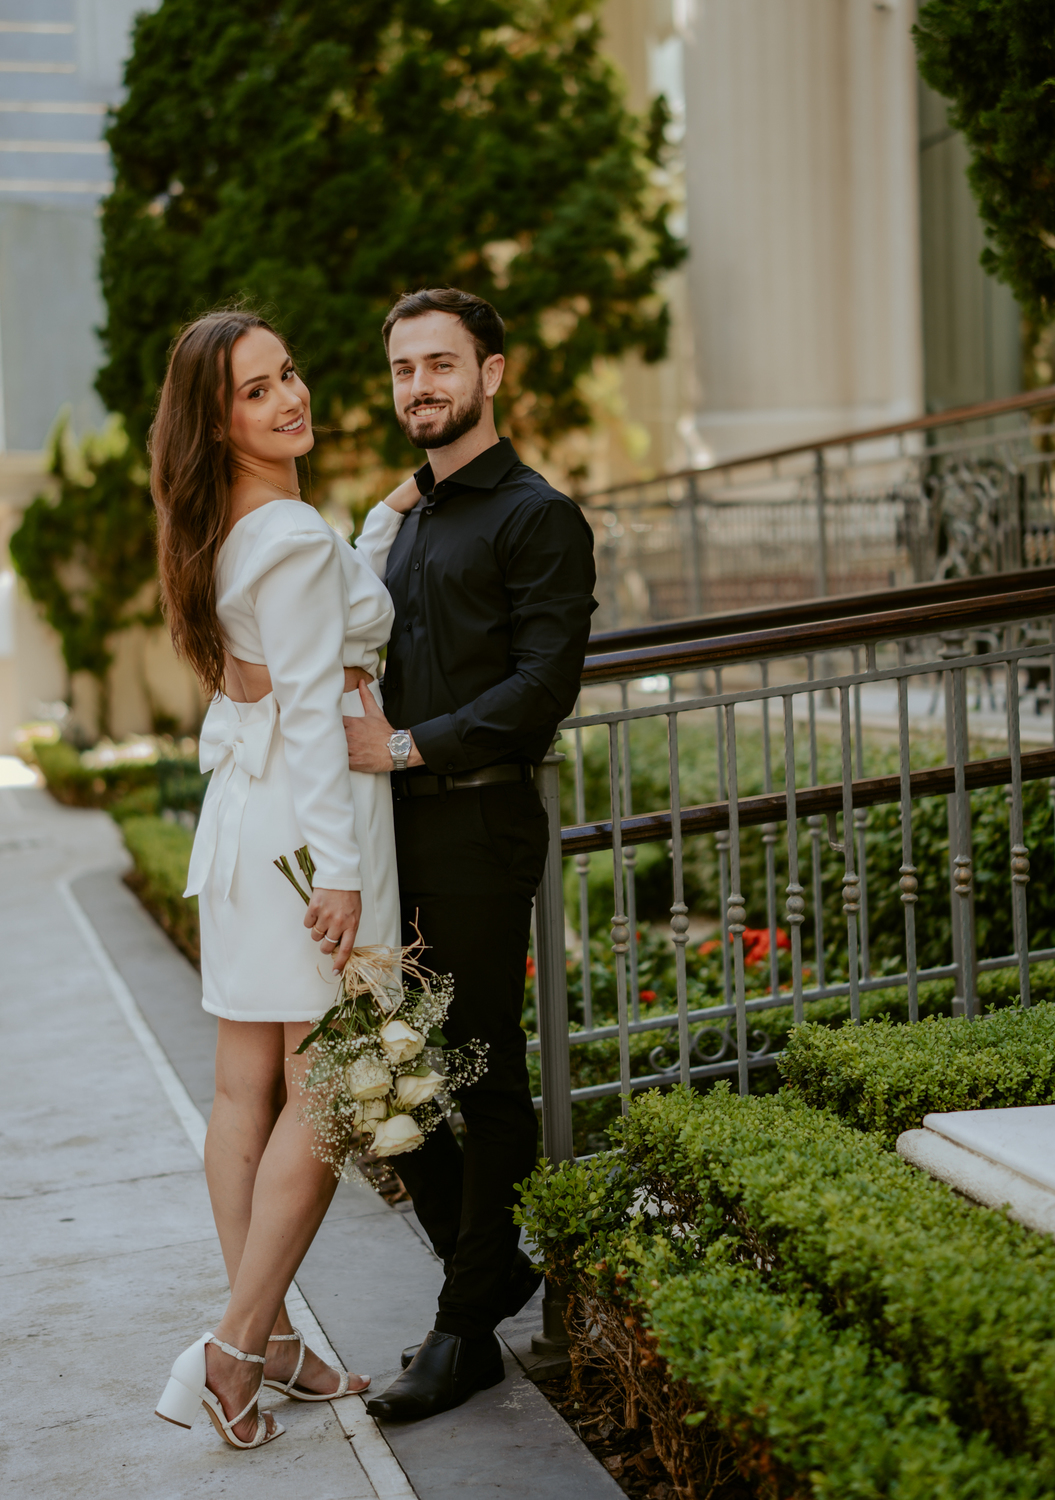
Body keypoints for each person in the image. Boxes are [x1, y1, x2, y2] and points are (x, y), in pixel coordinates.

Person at [150, 310, 413, 1450]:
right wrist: (343, 880)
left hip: (247, 829)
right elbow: (314, 712)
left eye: (289, 375)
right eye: (257, 392)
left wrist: (383, 520)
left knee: (240, 1092)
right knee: (329, 1094)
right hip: (312, 836)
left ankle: (275, 1344)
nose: (290, 398)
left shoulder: (229, 529)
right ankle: (235, 1347)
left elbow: (304, 624)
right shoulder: (293, 536)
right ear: (221, 422)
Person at [344, 288, 596, 1422]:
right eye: (403, 370)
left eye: (440, 365)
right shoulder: (407, 523)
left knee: (482, 1074)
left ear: (492, 374)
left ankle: (462, 1333)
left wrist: (401, 743)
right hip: (392, 834)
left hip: (481, 826)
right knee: (384, 1077)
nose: (419, 388)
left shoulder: (539, 517)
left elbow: (541, 689)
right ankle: (489, 1272)